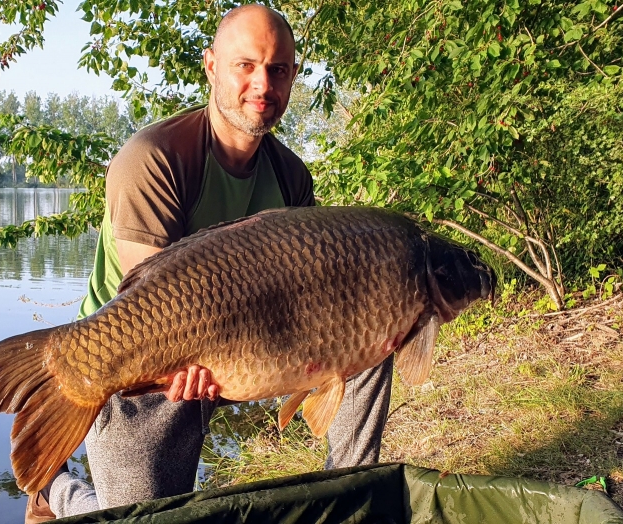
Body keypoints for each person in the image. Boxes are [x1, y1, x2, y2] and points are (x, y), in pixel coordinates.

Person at [25, 4, 394, 522]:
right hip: (133, 364)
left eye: (278, 69)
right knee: (146, 520)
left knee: (373, 329)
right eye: (246, 65)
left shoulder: (290, 176)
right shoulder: (153, 158)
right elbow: (155, 309)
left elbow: (320, 289)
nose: (263, 83)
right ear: (211, 66)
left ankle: (348, 499)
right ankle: (55, 492)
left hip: (256, 346)